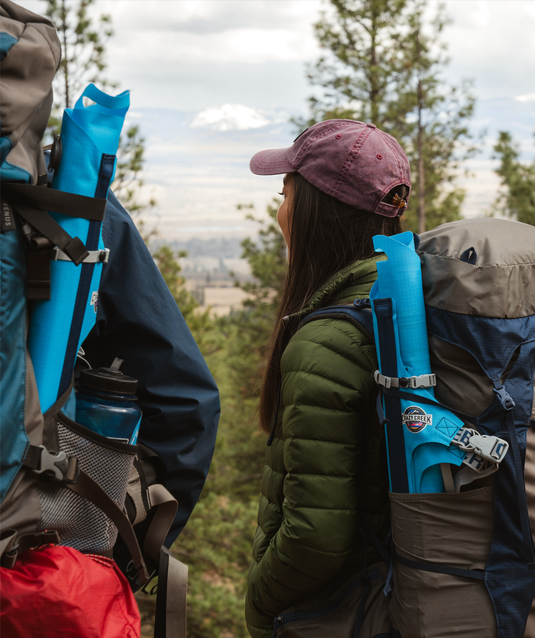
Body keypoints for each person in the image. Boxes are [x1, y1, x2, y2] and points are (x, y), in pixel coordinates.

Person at [244, 119, 411, 637]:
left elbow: (315, 537)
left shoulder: (326, 342)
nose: (279, 212)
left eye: (285, 194)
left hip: (342, 614)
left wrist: (259, 607)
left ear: (314, 212)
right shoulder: (407, 312)